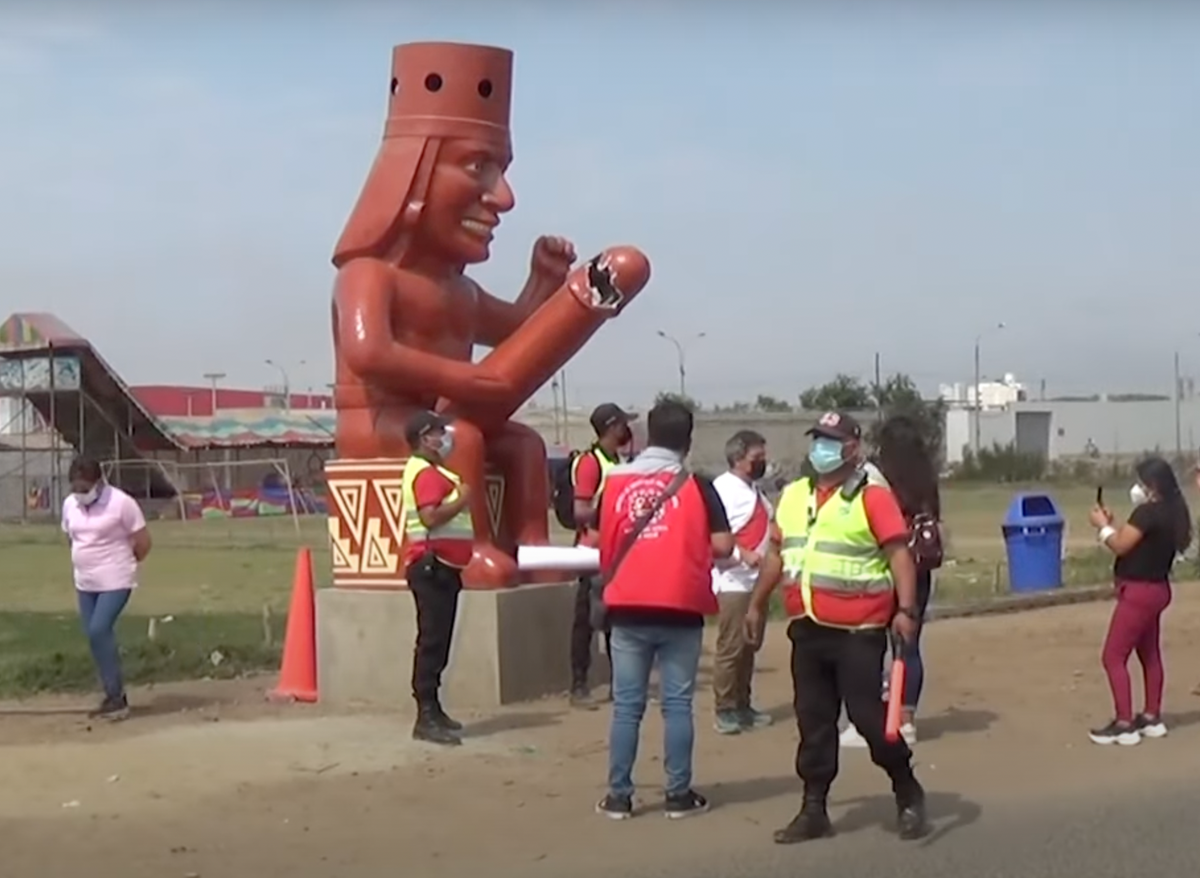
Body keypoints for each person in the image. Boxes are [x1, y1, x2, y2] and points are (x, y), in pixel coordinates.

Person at [744, 411, 927, 843]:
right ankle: (814, 809)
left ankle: (906, 788)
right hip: (808, 629)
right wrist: (756, 604)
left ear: (852, 448)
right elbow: (776, 556)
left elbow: (900, 555)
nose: (820, 448)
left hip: (859, 631)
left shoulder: (872, 497)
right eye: (817, 439)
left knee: (868, 719)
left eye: (831, 440)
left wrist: (907, 610)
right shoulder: (793, 496)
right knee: (814, 722)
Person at [594, 399, 734, 820]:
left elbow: (604, 540)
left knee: (627, 706)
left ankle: (619, 797)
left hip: (628, 606)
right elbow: (725, 547)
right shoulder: (698, 485)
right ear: (687, 440)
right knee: (676, 705)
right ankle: (677, 795)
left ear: (646, 435)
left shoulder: (616, 482)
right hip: (680, 607)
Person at [841, 414, 941, 748]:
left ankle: (870, 719)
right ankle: (906, 720)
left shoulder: (875, 477)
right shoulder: (926, 478)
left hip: (885, 569)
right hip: (921, 570)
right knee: (908, 645)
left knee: (869, 645)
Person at [1087, 456, 1191, 746]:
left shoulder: (1147, 513)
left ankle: (1124, 724)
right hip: (1158, 590)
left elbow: (1120, 545)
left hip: (1138, 593)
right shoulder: (1173, 512)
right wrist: (1111, 525)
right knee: (1149, 654)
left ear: (1153, 485)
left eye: (1142, 482)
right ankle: (1151, 716)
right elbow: (1135, 539)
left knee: (1113, 656)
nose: (1138, 487)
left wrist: (1101, 527)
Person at [400, 411, 474, 746]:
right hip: (433, 566)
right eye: (437, 432)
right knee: (432, 640)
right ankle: (425, 714)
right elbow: (430, 517)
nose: (444, 437)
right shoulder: (426, 473)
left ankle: (434, 707)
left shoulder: (434, 470)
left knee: (440, 639)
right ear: (423, 437)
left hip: (444, 566)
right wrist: (461, 499)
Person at [61, 456, 152, 721]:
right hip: (85, 581)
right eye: (76, 489)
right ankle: (110, 693)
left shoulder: (122, 504)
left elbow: (143, 541)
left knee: (100, 628)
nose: (80, 494)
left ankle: (117, 696)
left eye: (84, 489)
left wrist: (125, 563)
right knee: (94, 636)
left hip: (115, 579)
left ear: (98, 483)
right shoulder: (70, 505)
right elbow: (71, 536)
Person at [569, 403, 636, 708]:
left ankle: (618, 683)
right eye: (623, 424)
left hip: (617, 553)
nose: (627, 430)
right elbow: (580, 510)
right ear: (613, 427)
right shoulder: (590, 463)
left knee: (616, 620)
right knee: (585, 620)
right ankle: (578, 685)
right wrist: (614, 511)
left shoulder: (618, 461)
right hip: (591, 552)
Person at [710, 429, 775, 734]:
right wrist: (740, 553)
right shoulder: (723, 489)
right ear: (738, 458)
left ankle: (742, 703)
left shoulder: (754, 490)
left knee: (750, 646)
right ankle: (724, 709)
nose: (762, 462)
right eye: (756, 458)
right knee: (731, 647)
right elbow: (711, 535)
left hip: (756, 582)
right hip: (732, 579)